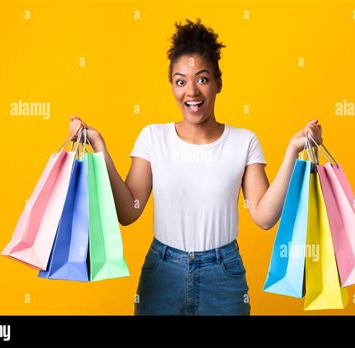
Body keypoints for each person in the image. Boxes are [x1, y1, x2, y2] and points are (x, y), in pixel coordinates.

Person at [68, 19, 322, 315]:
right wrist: (100, 148)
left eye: (202, 79)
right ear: (172, 85)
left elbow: (264, 217)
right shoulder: (153, 137)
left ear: (218, 83)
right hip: (162, 272)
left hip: (223, 276)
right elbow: (128, 212)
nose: (191, 92)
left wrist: (293, 151)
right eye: (180, 81)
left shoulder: (244, 142)